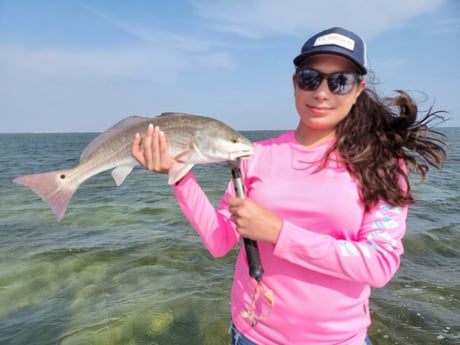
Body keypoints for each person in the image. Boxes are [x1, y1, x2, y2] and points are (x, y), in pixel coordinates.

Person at [131, 27, 447, 345]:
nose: (322, 92)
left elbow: (379, 265)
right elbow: (219, 240)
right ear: (295, 83)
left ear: (357, 90)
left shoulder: (384, 165)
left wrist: (281, 233)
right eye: (311, 78)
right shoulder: (255, 156)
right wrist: (181, 176)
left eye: (340, 81)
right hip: (253, 335)